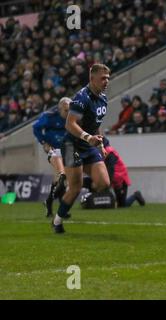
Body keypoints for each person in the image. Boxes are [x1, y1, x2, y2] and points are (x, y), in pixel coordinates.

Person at [52, 64, 111, 234]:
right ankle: (57, 221)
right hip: (72, 145)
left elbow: (95, 126)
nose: (106, 81)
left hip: (89, 145)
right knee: (75, 189)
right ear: (92, 78)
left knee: (104, 183)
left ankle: (76, 179)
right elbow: (70, 124)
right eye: (103, 78)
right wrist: (88, 138)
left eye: (108, 78)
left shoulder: (103, 99)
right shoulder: (81, 98)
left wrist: (99, 145)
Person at [32, 97, 70, 217]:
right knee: (62, 175)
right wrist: (43, 142)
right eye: (66, 110)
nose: (68, 112)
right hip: (54, 150)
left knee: (60, 179)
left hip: (67, 150)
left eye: (70, 110)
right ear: (59, 108)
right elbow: (36, 128)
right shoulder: (49, 116)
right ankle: (62, 210)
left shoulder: (73, 117)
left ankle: (49, 202)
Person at [83, 138, 146, 208]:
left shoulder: (109, 153)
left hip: (120, 179)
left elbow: (110, 171)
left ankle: (136, 195)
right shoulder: (104, 152)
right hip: (115, 178)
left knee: (122, 205)